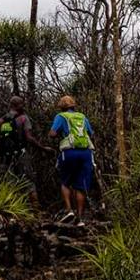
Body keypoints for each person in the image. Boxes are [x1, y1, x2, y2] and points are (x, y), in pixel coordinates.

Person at [48, 94, 95, 224]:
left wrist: (58, 134)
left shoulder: (61, 116)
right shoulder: (82, 117)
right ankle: (80, 218)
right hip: (86, 153)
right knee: (80, 186)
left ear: (61, 107)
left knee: (65, 181)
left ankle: (69, 211)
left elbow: (52, 133)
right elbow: (91, 133)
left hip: (69, 152)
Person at [0, 94, 46, 189]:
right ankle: (34, 203)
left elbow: (0, 137)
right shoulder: (24, 118)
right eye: (21, 104)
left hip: (5, 156)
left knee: (8, 184)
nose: (23, 106)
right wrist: (43, 148)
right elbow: (29, 138)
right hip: (21, 154)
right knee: (29, 182)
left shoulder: (1, 120)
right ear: (16, 105)